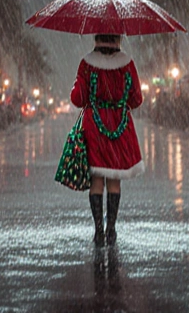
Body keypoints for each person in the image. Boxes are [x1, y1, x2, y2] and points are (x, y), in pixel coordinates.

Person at [70, 33, 144, 247]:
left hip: (94, 125)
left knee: (96, 180)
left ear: (96, 37)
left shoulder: (86, 64)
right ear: (118, 39)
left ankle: (98, 231)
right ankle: (111, 228)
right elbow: (136, 99)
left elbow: (78, 99)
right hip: (120, 124)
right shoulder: (127, 64)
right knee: (114, 178)